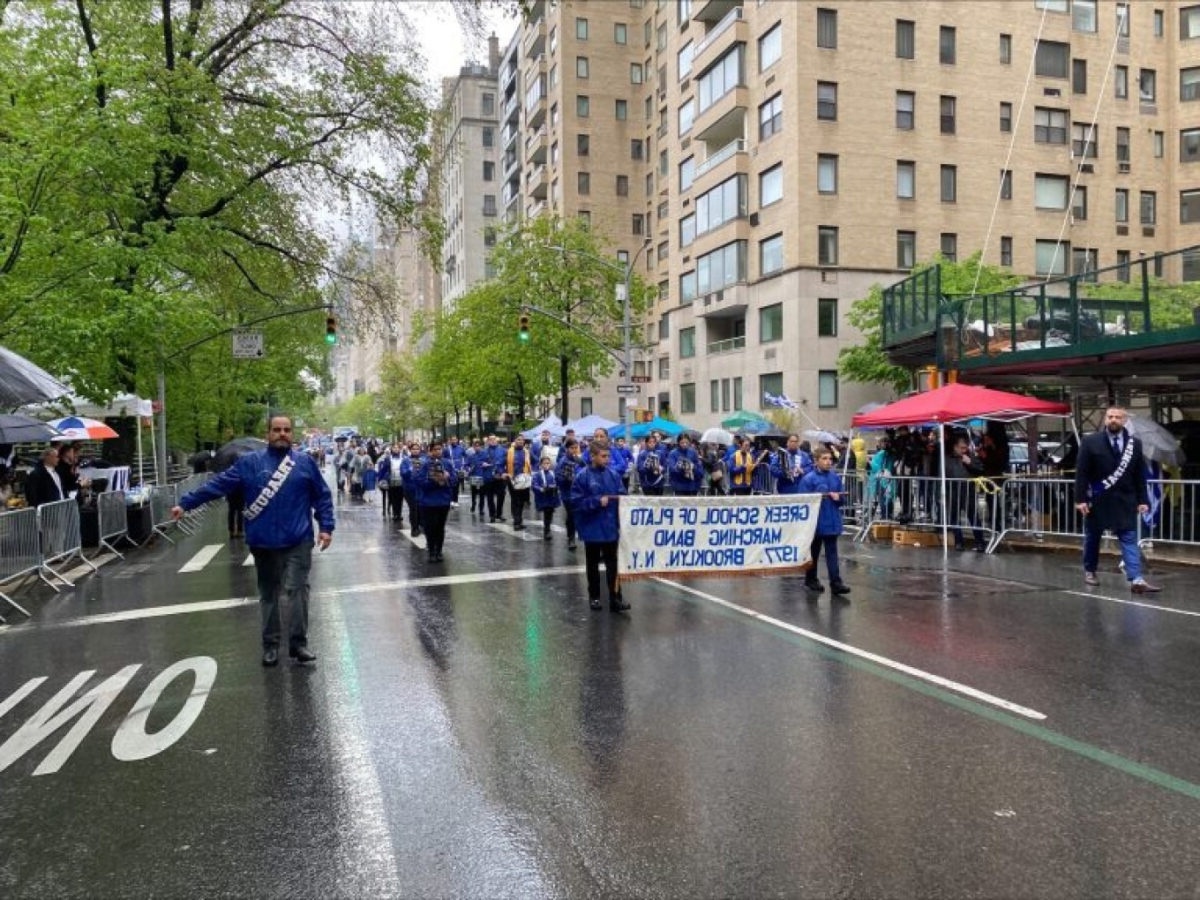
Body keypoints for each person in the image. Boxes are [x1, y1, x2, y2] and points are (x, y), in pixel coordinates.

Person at [172, 416, 334, 666]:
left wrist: (326, 527)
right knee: (269, 596)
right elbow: (217, 485)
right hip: (264, 542)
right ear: (267, 433)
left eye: (287, 430)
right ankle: (270, 646)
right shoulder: (249, 463)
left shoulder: (305, 463)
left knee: (298, 591)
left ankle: (298, 644)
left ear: (292, 434)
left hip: (298, 539)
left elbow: (321, 496)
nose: (282, 434)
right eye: (277, 430)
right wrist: (185, 503)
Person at [1074, 406, 1160, 593]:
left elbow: (1139, 475)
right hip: (1098, 499)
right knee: (1093, 538)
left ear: (1124, 420)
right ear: (1105, 419)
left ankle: (1136, 579)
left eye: (1118, 417)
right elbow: (1082, 473)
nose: (1113, 420)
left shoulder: (1134, 444)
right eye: (1110, 416)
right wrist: (1080, 499)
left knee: (1129, 538)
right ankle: (1090, 570)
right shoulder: (1090, 442)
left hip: (1124, 500)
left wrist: (1143, 500)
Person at [571, 439, 628, 612]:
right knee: (593, 564)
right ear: (593, 456)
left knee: (613, 564)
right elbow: (576, 502)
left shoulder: (613, 475)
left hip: (610, 528)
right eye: (603, 456)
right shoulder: (582, 476)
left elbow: (622, 495)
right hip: (592, 528)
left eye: (608, 456)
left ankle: (615, 597)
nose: (607, 459)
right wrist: (596, 501)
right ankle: (594, 596)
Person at [799, 449, 850, 599]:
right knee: (814, 553)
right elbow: (803, 501)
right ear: (816, 461)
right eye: (824, 458)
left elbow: (842, 499)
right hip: (815, 522)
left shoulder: (835, 477)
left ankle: (836, 583)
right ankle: (810, 579)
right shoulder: (809, 479)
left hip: (832, 520)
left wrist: (837, 498)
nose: (828, 461)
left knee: (832, 553)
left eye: (829, 459)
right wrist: (818, 498)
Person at [942, 433, 987, 552]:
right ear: (955, 447)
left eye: (965, 447)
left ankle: (980, 542)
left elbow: (980, 470)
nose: (964, 450)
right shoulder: (947, 458)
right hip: (953, 489)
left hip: (968, 489)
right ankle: (959, 542)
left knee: (973, 516)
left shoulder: (970, 456)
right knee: (954, 517)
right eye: (961, 448)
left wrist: (970, 463)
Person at [418, 440, 456, 563]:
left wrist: (447, 477)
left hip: (443, 501)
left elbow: (454, 481)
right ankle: (431, 551)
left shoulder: (448, 463)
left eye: (440, 449)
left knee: (440, 527)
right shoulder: (425, 464)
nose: (438, 451)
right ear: (430, 451)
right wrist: (434, 480)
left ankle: (439, 551)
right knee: (430, 527)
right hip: (428, 502)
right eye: (435, 449)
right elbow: (421, 482)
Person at [556, 438, 582, 551]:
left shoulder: (578, 459)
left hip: (578, 492)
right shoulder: (563, 461)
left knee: (575, 515)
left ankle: (573, 535)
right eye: (572, 448)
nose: (574, 450)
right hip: (567, 493)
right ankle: (571, 538)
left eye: (576, 448)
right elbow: (559, 478)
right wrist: (568, 479)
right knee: (571, 515)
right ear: (567, 449)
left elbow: (585, 468)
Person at [506, 434, 534, 531]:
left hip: (524, 479)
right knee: (515, 500)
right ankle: (516, 522)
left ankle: (519, 520)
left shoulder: (526, 452)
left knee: (521, 501)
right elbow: (503, 463)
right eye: (518, 440)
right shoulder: (509, 451)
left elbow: (532, 461)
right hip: (512, 479)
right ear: (515, 441)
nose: (520, 441)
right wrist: (503, 473)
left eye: (522, 440)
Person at [531, 453, 561, 540]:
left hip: (551, 498)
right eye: (544, 463)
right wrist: (541, 489)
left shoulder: (552, 473)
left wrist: (556, 488)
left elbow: (557, 483)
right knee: (547, 514)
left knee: (549, 514)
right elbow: (534, 485)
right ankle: (547, 530)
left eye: (548, 463)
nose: (546, 465)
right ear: (541, 465)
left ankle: (547, 529)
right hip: (543, 498)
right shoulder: (537, 474)